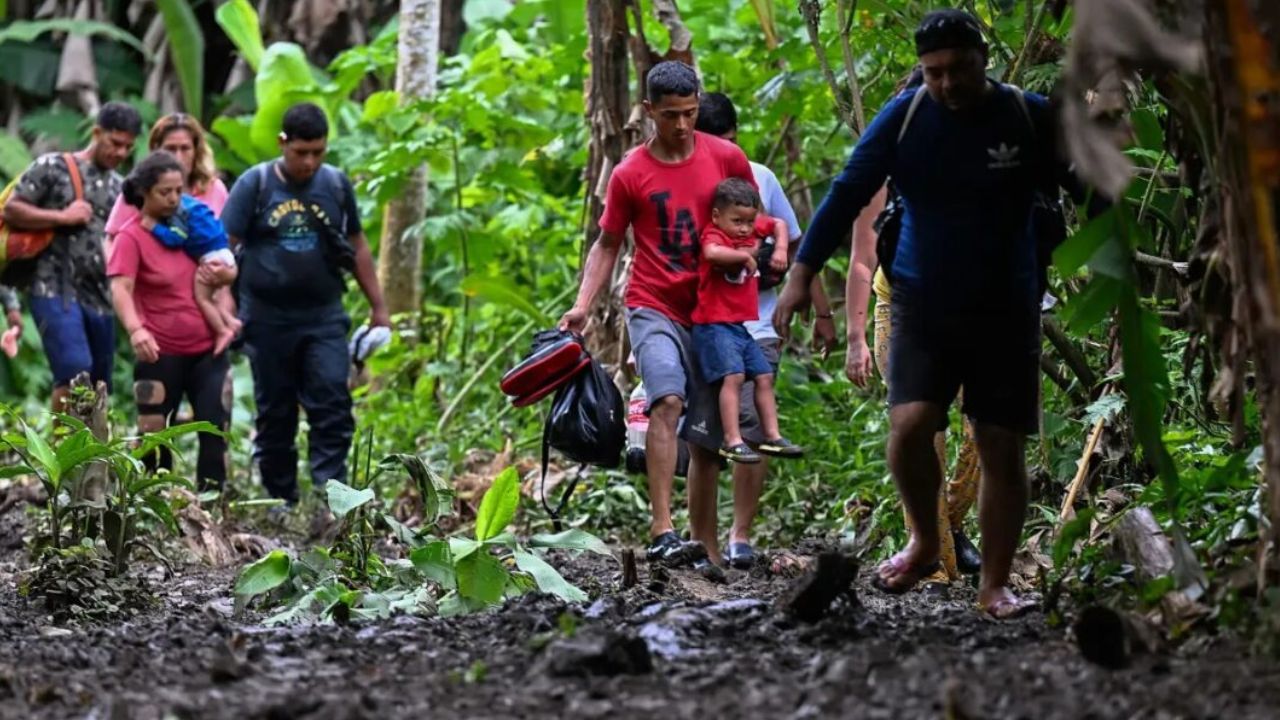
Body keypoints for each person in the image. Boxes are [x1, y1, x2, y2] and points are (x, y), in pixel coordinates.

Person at [775, 9, 1095, 617]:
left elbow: (1090, 193)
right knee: (912, 425)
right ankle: (925, 540)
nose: (946, 84)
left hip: (1007, 303)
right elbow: (847, 191)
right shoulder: (907, 116)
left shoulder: (1027, 116)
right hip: (923, 300)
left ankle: (994, 585)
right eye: (933, 72)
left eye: (959, 69)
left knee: (1002, 444)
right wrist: (802, 272)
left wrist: (1117, 256)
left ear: (984, 61)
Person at [558, 61, 756, 568]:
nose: (684, 125)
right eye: (671, 116)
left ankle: (704, 545)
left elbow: (751, 221)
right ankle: (662, 527)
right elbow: (607, 244)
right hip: (652, 304)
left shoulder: (728, 158)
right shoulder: (630, 174)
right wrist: (583, 305)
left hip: (712, 311)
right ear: (650, 112)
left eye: (691, 113)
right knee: (667, 399)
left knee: (707, 435)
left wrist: (766, 258)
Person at [843, 72, 983, 588]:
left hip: (972, 310)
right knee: (923, 431)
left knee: (981, 436)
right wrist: (855, 338)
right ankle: (935, 563)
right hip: (898, 305)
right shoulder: (882, 169)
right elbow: (862, 258)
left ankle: (946, 522)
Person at [220, 102, 391, 505]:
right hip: (266, 319)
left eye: (318, 152)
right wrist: (226, 311)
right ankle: (281, 497)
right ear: (283, 143)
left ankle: (330, 495)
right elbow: (223, 253)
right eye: (301, 153)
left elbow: (357, 244)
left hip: (324, 316)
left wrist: (379, 307)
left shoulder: (335, 185)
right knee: (275, 411)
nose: (310, 162)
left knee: (333, 398)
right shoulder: (255, 185)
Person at [694, 92, 836, 569]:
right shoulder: (687, 185)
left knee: (753, 428)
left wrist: (822, 312)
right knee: (706, 434)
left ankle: (740, 535)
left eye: (730, 144)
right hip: (706, 322)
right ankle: (704, 539)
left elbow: (797, 249)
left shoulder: (762, 179)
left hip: (758, 323)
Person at [2, 101, 141, 410]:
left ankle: (92, 455)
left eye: (128, 147)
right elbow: (11, 208)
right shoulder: (54, 166)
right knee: (73, 370)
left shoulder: (122, 188)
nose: (120, 153)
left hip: (100, 294)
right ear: (96, 133)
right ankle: (61, 454)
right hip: (52, 286)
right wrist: (62, 217)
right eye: (115, 143)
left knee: (99, 383)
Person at [106, 152, 233, 489]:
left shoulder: (189, 225)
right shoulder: (131, 237)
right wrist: (136, 330)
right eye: (165, 192)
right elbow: (121, 288)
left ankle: (211, 508)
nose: (175, 199)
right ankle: (154, 502)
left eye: (179, 190)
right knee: (153, 431)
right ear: (144, 192)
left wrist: (224, 274)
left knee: (215, 427)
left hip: (208, 351)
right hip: (160, 352)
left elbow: (220, 259)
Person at [104, 113, 238, 353]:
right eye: (170, 149)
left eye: (185, 148)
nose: (178, 156)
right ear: (156, 150)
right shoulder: (138, 194)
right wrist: (130, 308)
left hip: (208, 308)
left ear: (196, 150)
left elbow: (227, 243)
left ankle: (224, 328)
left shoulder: (213, 188)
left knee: (217, 386)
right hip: (159, 319)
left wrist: (227, 287)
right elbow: (113, 244)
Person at [691, 178, 803, 464]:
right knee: (735, 377)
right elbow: (711, 253)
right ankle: (732, 439)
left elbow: (779, 224)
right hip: (713, 324)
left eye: (749, 221)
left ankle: (772, 435)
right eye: (737, 221)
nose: (744, 228)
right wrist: (746, 257)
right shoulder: (714, 235)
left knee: (763, 376)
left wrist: (779, 249)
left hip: (740, 327)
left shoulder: (750, 228)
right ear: (717, 216)